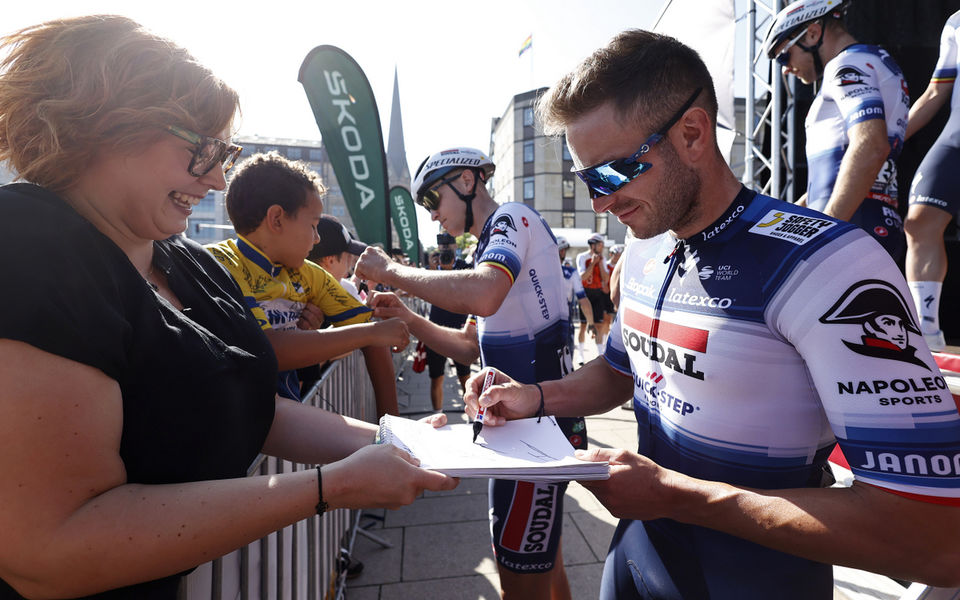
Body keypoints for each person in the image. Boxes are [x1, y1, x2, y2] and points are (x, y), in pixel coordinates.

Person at [463, 29, 960, 599]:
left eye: (610, 174)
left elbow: (936, 541)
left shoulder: (830, 264)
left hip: (757, 577)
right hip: (637, 555)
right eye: (585, 180)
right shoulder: (648, 246)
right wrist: (536, 397)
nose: (599, 202)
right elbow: (622, 372)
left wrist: (678, 495)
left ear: (693, 133)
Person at [0, 16, 457, 599]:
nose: (218, 179)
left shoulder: (180, 260)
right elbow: (47, 548)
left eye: (224, 152)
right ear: (109, 128)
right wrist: (330, 488)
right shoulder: (29, 246)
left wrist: (394, 442)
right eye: (203, 151)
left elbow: (252, 406)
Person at [356, 147, 585, 600]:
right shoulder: (487, 248)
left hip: (535, 435)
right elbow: (468, 344)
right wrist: (409, 316)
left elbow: (483, 293)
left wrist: (393, 271)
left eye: (432, 199)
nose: (432, 214)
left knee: (520, 580)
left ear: (466, 181)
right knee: (543, 564)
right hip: (523, 430)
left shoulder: (509, 219)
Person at [206, 152, 405, 418]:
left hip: (282, 423)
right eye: (313, 225)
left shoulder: (307, 273)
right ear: (276, 219)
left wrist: (390, 425)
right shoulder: (219, 262)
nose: (317, 237)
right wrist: (369, 334)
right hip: (228, 428)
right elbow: (269, 349)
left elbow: (371, 333)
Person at [764, 0, 909, 260]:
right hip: (871, 223)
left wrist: (827, 233)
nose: (785, 69)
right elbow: (839, 171)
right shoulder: (874, 60)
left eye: (785, 54)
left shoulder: (846, 65)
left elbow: (870, 146)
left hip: (850, 231)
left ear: (812, 33)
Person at [901, 10, 960, 351]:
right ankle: (926, 330)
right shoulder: (954, 22)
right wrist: (888, 143)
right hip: (955, 140)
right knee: (919, 222)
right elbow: (936, 93)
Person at [421, 232, 474, 410]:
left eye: (448, 247)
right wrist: (432, 270)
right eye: (441, 247)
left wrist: (450, 270)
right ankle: (438, 414)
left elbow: (469, 289)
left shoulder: (464, 267)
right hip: (436, 328)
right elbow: (424, 291)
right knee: (436, 377)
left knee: (465, 376)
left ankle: (472, 413)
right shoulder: (433, 269)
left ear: (455, 247)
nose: (445, 251)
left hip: (459, 329)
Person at [558, 236, 595, 365]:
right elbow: (583, 300)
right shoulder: (571, 273)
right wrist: (590, 322)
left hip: (540, 326)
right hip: (564, 324)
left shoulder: (538, 271)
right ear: (562, 251)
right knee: (566, 365)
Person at [576, 233, 611, 354]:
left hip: (598, 294)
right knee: (583, 325)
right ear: (593, 245)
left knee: (599, 326)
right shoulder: (582, 256)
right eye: (601, 244)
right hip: (585, 294)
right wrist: (592, 263)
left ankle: (600, 354)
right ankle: (580, 355)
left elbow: (606, 279)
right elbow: (582, 277)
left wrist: (600, 263)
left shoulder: (603, 259)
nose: (602, 247)